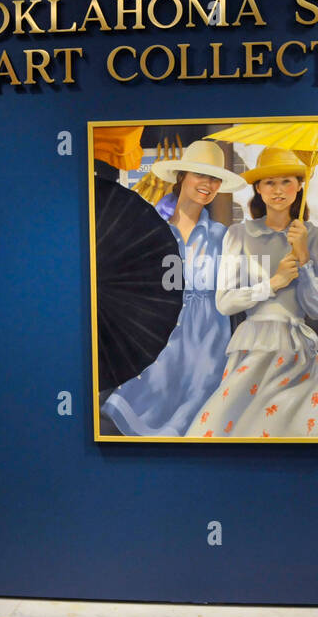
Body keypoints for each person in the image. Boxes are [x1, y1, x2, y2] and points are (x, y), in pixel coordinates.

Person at [102, 140, 247, 436]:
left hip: (209, 343)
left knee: (197, 409)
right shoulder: (151, 231)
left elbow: (237, 292)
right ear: (182, 176)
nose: (208, 184)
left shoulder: (224, 237)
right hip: (161, 340)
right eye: (200, 175)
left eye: (215, 178)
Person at [186, 146, 318, 438]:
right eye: (269, 182)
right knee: (230, 427)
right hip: (253, 348)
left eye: (286, 181)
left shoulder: (314, 236)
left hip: (297, 352)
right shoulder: (239, 234)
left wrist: (304, 258)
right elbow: (224, 303)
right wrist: (273, 283)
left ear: (300, 186)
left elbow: (317, 308)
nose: (278, 190)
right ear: (258, 189)